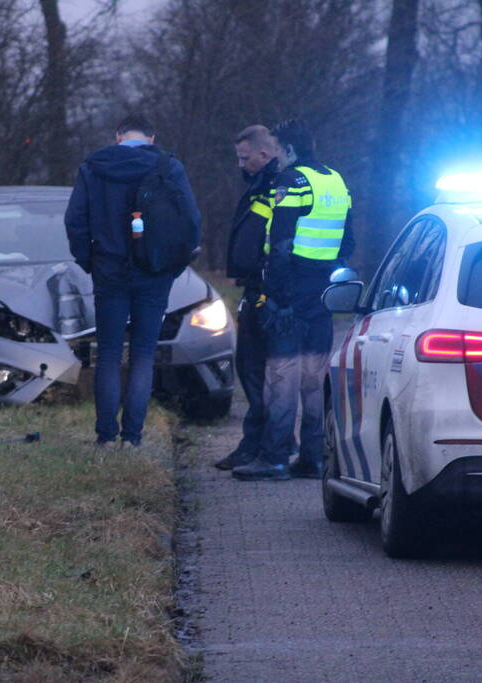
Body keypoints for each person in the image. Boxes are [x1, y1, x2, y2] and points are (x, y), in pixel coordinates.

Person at [65, 113, 201, 447]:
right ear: (151, 139)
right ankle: (133, 438)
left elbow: (75, 220)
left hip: (109, 269)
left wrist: (89, 261)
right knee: (143, 353)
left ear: (118, 136)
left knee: (109, 353)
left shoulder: (93, 167)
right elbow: (191, 220)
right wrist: (174, 264)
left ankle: (106, 437)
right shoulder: (169, 167)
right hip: (154, 271)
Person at [231, 118, 355, 481]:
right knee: (314, 376)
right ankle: (314, 457)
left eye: (280, 151)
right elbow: (348, 242)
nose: (279, 160)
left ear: (289, 150)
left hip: (290, 288)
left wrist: (277, 298)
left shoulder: (291, 181)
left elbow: (281, 243)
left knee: (281, 373)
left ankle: (275, 457)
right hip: (322, 290)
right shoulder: (335, 179)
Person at [213, 124, 284, 472]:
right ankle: (259, 443)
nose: (241, 164)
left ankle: (262, 446)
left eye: (245, 158)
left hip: (266, 290)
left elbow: (270, 238)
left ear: (264, 155)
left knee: (257, 369)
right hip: (258, 287)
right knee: (254, 369)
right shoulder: (262, 184)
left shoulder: (274, 187)